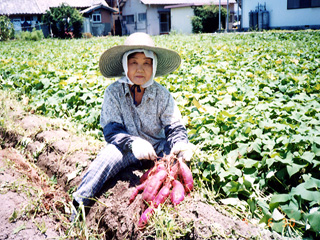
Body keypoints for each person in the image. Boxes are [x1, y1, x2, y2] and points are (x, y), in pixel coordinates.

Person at [71, 32, 193, 216]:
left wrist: (180, 144)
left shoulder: (162, 94)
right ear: (124, 65)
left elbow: (174, 128)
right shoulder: (113, 93)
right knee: (107, 156)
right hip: (126, 149)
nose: (140, 69)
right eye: (133, 62)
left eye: (147, 63)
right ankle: (79, 204)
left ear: (154, 66)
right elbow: (111, 130)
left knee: (180, 157)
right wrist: (132, 143)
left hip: (157, 151)